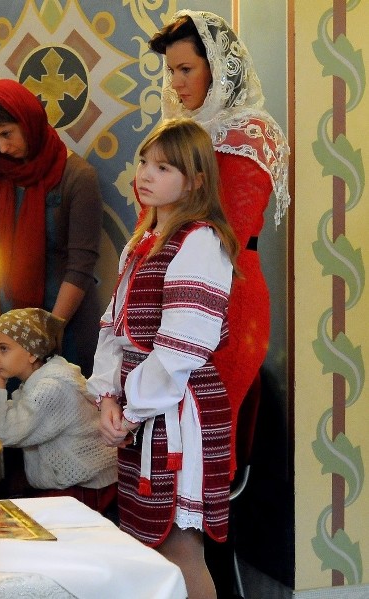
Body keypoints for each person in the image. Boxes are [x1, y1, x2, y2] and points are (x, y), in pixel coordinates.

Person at [87, 118, 240, 599]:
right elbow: (116, 327)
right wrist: (109, 397)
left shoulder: (200, 241)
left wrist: (130, 410)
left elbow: (181, 348)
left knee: (179, 550)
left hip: (180, 414)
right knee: (146, 547)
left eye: (163, 167)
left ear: (195, 180)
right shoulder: (141, 242)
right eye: (144, 163)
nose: (145, 175)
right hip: (146, 410)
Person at [148, 10, 290, 475]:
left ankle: (210, 546)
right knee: (165, 445)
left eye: (186, 69)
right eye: (171, 70)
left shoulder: (250, 131)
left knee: (203, 446)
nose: (177, 81)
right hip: (168, 289)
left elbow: (226, 225)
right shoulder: (180, 131)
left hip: (230, 292)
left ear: (218, 66)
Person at [0, 78, 103, 377]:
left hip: (63, 323)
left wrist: (47, 334)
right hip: (5, 322)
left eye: (6, 133)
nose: (2, 146)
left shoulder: (78, 177)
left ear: (28, 122)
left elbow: (80, 267)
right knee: (7, 414)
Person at [0, 307, 117, 514]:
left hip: (83, 487)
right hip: (73, 485)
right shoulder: (36, 382)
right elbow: (10, 417)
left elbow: (5, 434)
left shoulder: (50, 389)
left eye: (3, 349)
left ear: (32, 352)